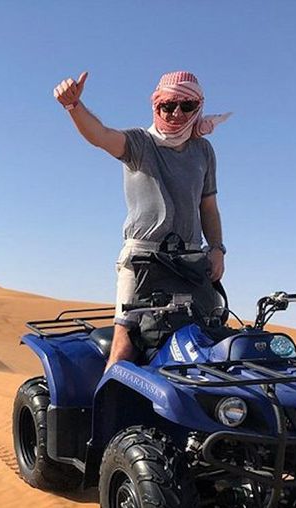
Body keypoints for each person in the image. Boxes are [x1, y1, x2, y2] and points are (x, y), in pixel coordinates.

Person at [52, 70, 231, 366]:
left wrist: (217, 248)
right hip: (142, 259)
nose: (175, 113)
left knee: (208, 341)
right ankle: (107, 410)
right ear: (156, 106)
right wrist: (74, 106)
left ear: (198, 106)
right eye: (167, 106)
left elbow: (208, 206)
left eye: (185, 106)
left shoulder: (203, 150)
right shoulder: (140, 143)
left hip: (190, 262)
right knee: (125, 346)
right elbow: (100, 136)